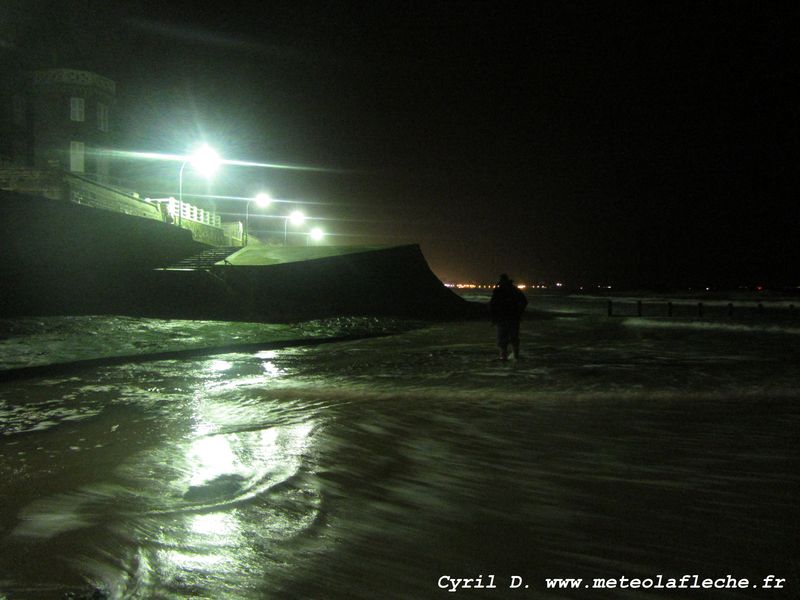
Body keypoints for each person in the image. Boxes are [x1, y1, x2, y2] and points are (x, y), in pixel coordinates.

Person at [489, 273, 528, 360]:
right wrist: (519, 312)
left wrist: (493, 318)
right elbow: (524, 301)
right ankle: (514, 356)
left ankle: (505, 357)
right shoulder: (513, 290)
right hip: (511, 318)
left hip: (504, 318)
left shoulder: (499, 291)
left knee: (503, 339)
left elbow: (492, 305)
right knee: (512, 338)